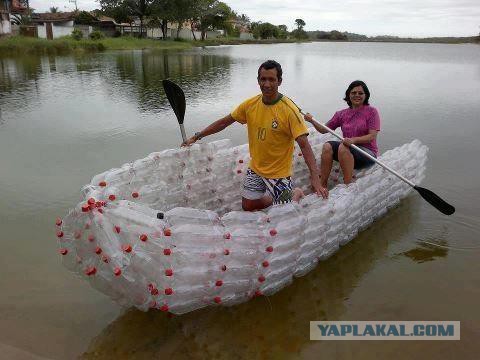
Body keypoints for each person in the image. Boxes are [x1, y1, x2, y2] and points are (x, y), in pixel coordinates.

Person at [182, 60, 328, 211]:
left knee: (285, 214)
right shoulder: (250, 105)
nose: (266, 84)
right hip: (256, 168)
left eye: (271, 79)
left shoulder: (289, 110)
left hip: (279, 173)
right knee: (248, 206)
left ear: (279, 81)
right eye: (263, 79)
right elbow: (224, 122)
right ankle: (280, 197)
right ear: (258, 80)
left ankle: (294, 194)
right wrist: (197, 136)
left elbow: (304, 145)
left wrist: (315, 178)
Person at [304, 80, 380, 187]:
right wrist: (311, 120)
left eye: (360, 93)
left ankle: (347, 185)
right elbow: (324, 129)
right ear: (348, 95)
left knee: (343, 146)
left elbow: (372, 136)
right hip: (347, 150)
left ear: (366, 95)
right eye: (353, 93)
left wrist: (353, 140)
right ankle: (322, 185)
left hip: (367, 154)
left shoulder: (372, 112)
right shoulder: (341, 114)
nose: (357, 95)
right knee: (327, 146)